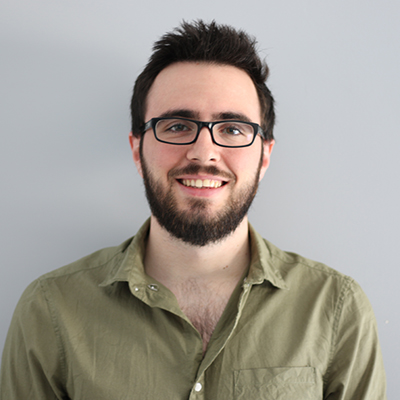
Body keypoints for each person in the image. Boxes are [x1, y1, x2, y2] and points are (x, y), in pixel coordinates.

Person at [0, 20, 386, 399]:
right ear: (137, 149)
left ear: (265, 156)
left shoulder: (336, 307)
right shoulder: (51, 309)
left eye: (232, 129)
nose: (203, 153)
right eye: (177, 126)